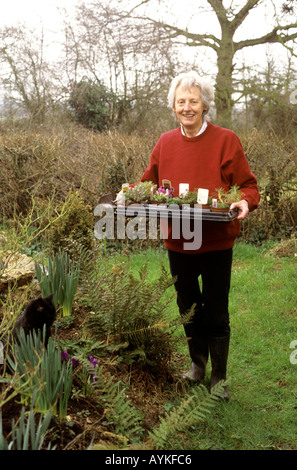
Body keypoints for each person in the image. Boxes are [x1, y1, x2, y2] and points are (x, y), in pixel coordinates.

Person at [140, 71, 260, 400]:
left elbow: (249, 186)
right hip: (178, 240)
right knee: (187, 306)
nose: (187, 107)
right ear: (173, 107)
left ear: (205, 105)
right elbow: (148, 183)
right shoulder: (165, 143)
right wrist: (131, 197)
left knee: (216, 309)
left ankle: (218, 378)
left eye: (194, 101)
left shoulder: (226, 140)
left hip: (216, 240)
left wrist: (245, 202)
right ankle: (197, 367)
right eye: (181, 102)